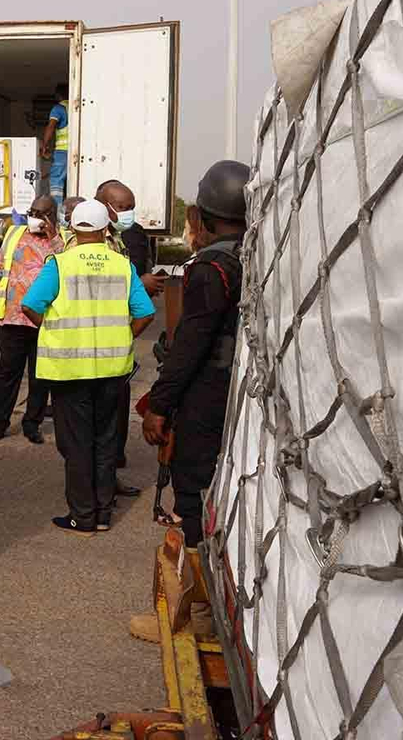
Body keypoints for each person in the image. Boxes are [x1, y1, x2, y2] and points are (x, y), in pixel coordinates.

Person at [23, 199, 156, 535]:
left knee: (77, 443)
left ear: (72, 228)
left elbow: (30, 305)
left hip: (69, 369)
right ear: (105, 229)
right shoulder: (122, 265)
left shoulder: (60, 264)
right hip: (113, 368)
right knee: (107, 440)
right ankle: (102, 513)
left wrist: (51, 328)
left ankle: (82, 515)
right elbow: (145, 313)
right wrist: (123, 335)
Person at [142, 160, 248, 549]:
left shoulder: (210, 268)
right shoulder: (261, 256)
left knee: (193, 488)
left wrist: (159, 405)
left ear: (204, 214)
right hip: (249, 390)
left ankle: (203, 577)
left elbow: (189, 346)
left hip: (208, 393)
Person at [95, 179, 167, 496]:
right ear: (103, 204)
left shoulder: (127, 236)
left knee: (114, 418)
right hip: (91, 345)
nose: (129, 214)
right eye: (123, 208)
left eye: (131, 207)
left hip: (117, 345)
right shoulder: (87, 240)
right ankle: (93, 493)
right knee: (94, 423)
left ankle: (108, 477)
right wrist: (140, 281)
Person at [0, 193, 64, 445]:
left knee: (39, 376)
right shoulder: (14, 234)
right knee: (7, 373)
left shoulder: (62, 241)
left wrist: (53, 237)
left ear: (51, 215)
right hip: (13, 319)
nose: (34, 217)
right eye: (32, 212)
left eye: (41, 213)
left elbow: (68, 268)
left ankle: (32, 424)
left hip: (44, 320)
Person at [39, 83, 69, 201]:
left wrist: (44, 145)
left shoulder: (58, 108)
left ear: (57, 95)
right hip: (76, 150)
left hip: (62, 151)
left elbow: (51, 126)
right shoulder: (75, 108)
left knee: (57, 182)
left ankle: (56, 211)